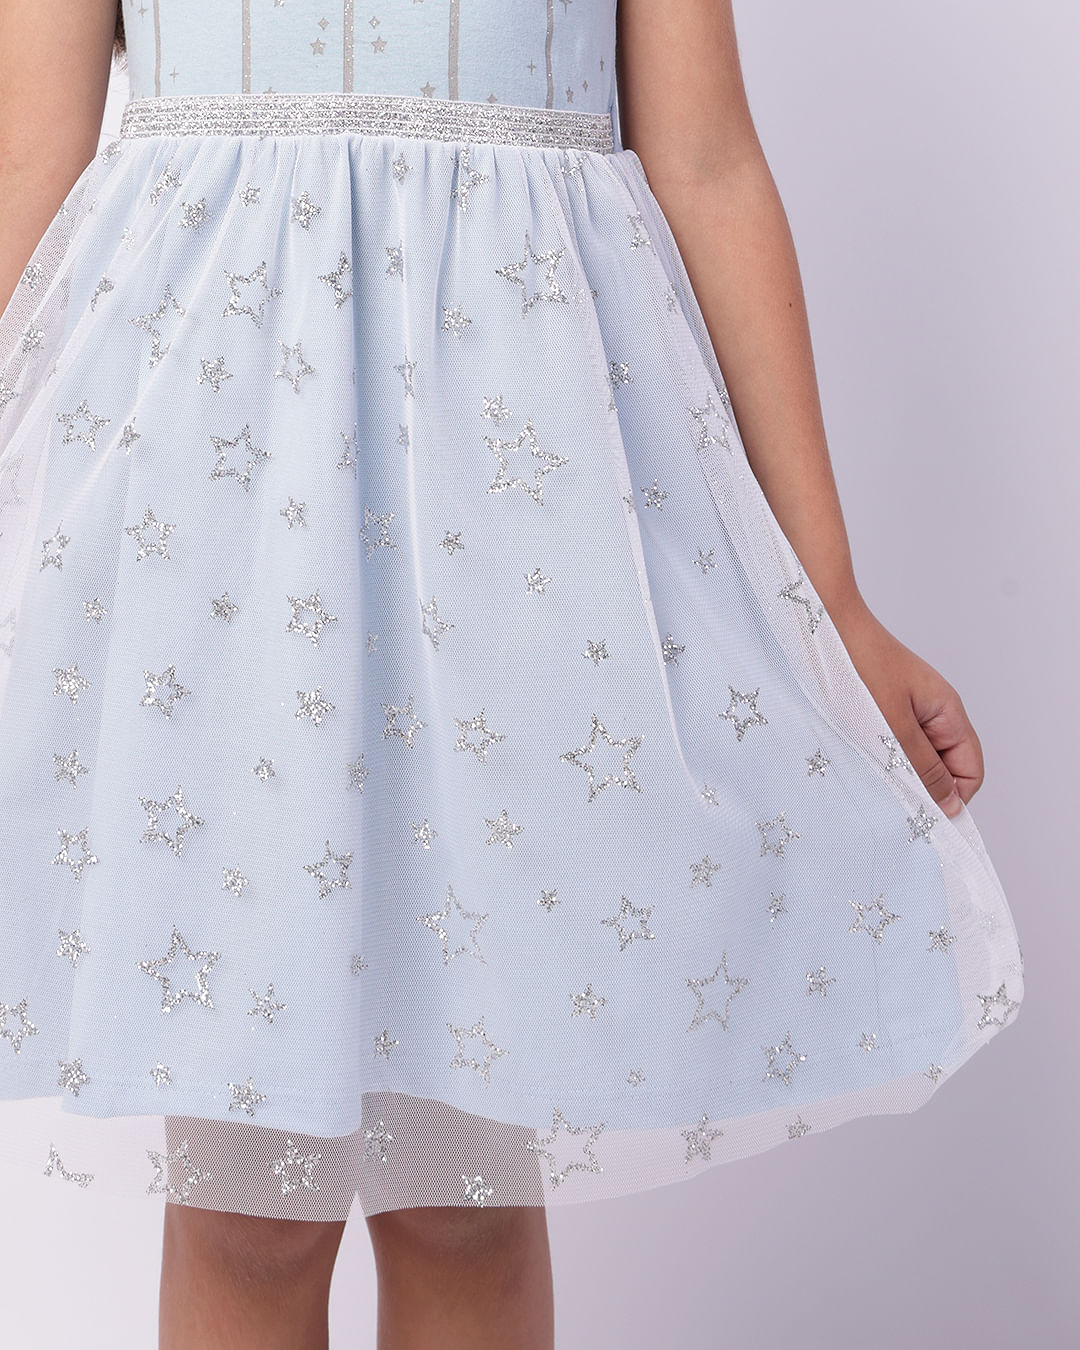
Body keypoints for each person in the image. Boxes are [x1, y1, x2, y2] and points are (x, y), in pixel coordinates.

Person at [0, 2, 1023, 1347]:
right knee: (251, 1214)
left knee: (463, 1197)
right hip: (219, 531)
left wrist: (831, 605)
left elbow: (708, 159)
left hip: (517, 536)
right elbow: (28, 160)